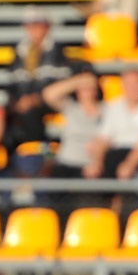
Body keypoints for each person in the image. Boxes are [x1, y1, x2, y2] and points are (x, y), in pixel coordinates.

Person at [4, 5, 72, 177]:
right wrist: (16, 102)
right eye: (30, 25)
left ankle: (36, 162)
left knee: (32, 114)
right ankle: (13, 165)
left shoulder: (56, 50)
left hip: (48, 103)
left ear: (46, 26)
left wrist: (35, 98)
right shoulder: (20, 51)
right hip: (24, 103)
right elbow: (12, 83)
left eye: (38, 24)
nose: (34, 29)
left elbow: (59, 81)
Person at [84, 66, 138, 181]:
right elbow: (103, 138)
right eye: (129, 84)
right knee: (93, 175)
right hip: (116, 153)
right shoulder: (114, 106)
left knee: (137, 175)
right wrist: (96, 162)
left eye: (136, 83)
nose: (133, 88)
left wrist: (130, 164)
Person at [42, 69, 104, 216]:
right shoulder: (71, 108)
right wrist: (79, 80)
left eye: (90, 88)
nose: (87, 92)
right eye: (83, 88)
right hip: (66, 164)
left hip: (91, 165)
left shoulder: (106, 110)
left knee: (88, 202)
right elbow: (48, 94)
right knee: (53, 197)